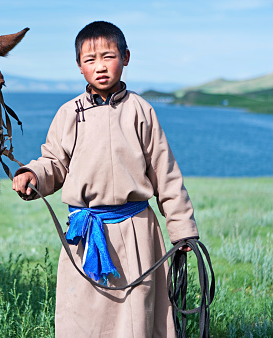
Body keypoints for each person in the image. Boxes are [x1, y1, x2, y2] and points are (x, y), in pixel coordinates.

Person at [12, 21, 199, 337]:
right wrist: (32, 175)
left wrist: (182, 230)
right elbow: (53, 162)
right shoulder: (69, 113)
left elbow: (165, 174)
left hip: (138, 232)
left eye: (108, 56)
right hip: (86, 234)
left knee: (136, 313)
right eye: (90, 60)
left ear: (125, 58)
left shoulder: (141, 111)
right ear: (79, 67)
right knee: (84, 317)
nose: (99, 67)